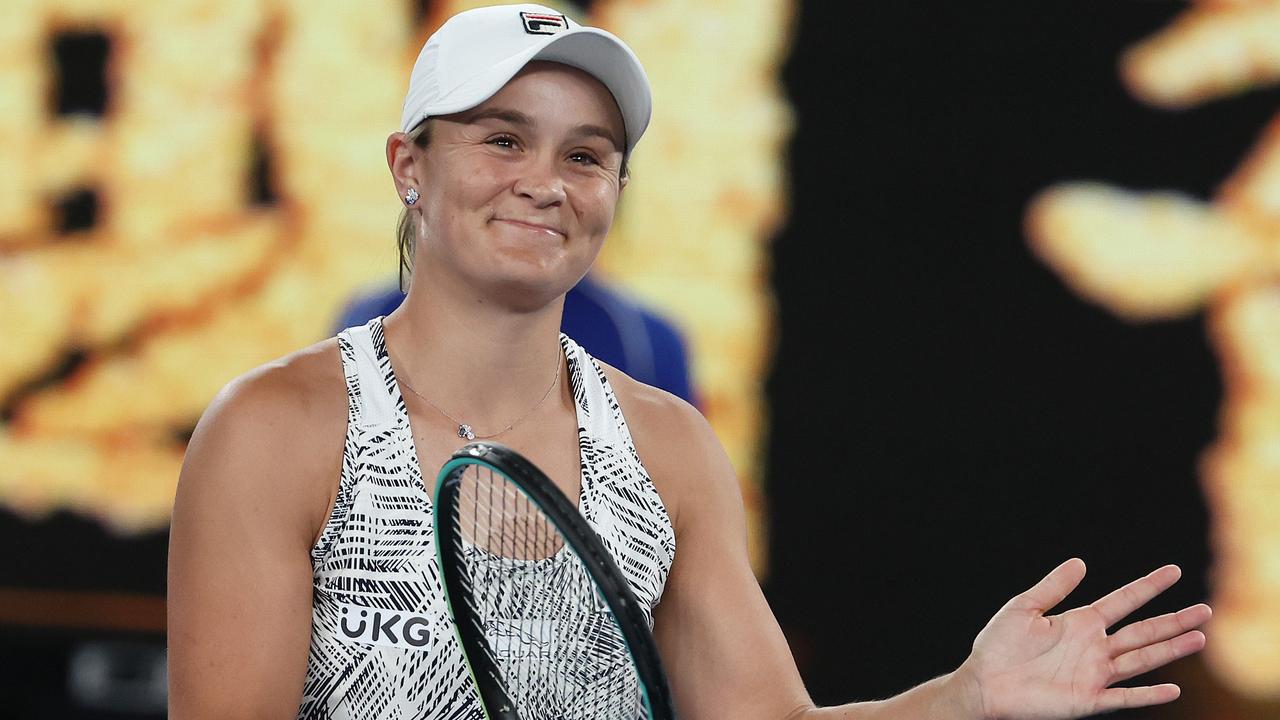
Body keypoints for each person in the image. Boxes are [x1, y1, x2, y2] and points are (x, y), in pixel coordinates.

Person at [167, 4, 1211, 719]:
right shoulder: (278, 431)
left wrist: (962, 696)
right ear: (409, 166)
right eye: (500, 139)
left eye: (585, 154)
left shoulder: (666, 448)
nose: (545, 182)